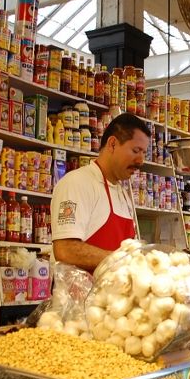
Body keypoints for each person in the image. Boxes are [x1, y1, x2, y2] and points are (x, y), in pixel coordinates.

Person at [51, 113, 151, 272]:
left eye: (144, 153)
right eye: (135, 150)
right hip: (80, 296)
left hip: (113, 295)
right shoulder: (77, 183)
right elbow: (65, 249)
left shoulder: (123, 194)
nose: (141, 161)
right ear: (112, 144)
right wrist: (123, 261)